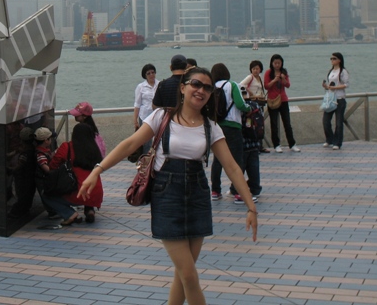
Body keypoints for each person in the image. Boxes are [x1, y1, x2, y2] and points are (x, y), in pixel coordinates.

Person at [77, 67, 258, 305]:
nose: (201, 90)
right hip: (167, 196)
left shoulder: (211, 127)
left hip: (198, 197)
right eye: (196, 84)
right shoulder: (161, 117)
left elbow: (233, 168)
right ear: (183, 88)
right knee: (189, 276)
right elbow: (130, 143)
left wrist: (251, 208)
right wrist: (97, 171)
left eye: (207, 87)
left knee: (182, 275)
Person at [210, 63, 250, 203]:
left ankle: (215, 191)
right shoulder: (232, 85)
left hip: (217, 127)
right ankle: (237, 191)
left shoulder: (212, 87)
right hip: (233, 126)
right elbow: (240, 104)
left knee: (218, 160)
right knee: (237, 159)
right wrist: (249, 108)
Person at [51, 123, 104, 223]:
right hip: (96, 194)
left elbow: (53, 165)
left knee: (47, 196)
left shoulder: (67, 147)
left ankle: (69, 214)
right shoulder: (95, 148)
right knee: (87, 184)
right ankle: (89, 210)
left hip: (78, 193)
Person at [33, 128, 81, 225]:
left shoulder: (45, 151)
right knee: (47, 197)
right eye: (50, 138)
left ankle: (65, 212)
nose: (51, 140)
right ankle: (61, 212)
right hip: (45, 182)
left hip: (49, 181)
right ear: (46, 140)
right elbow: (47, 169)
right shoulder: (41, 154)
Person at [263, 54, 300, 154]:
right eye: (275, 63)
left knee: (287, 123)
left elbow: (288, 85)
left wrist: (283, 78)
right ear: (272, 63)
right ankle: (276, 145)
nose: (277, 65)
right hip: (273, 100)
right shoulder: (268, 73)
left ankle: (292, 144)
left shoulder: (284, 72)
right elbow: (266, 86)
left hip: (283, 100)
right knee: (274, 124)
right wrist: (274, 80)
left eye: (279, 63)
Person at [239, 60, 270, 153]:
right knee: (253, 124)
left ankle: (260, 145)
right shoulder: (250, 77)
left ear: (260, 69)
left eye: (257, 68)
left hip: (260, 102)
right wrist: (250, 92)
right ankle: (255, 146)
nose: (255, 70)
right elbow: (240, 85)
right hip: (252, 103)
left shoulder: (260, 78)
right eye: (253, 69)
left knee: (260, 125)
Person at [322, 52, 349, 150]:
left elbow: (346, 85)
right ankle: (329, 139)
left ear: (339, 60)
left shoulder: (343, 71)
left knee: (339, 122)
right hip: (331, 99)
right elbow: (330, 85)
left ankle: (337, 142)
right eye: (331, 58)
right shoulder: (331, 71)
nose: (332, 60)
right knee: (325, 121)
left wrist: (335, 87)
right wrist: (326, 87)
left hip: (340, 99)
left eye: (334, 58)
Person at [134, 63, 159, 152]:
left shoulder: (160, 85)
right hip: (144, 117)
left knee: (158, 139)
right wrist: (135, 120)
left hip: (158, 116)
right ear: (145, 75)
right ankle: (145, 161)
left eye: (153, 72)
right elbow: (137, 104)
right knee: (146, 141)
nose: (151, 75)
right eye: (148, 73)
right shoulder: (141, 87)